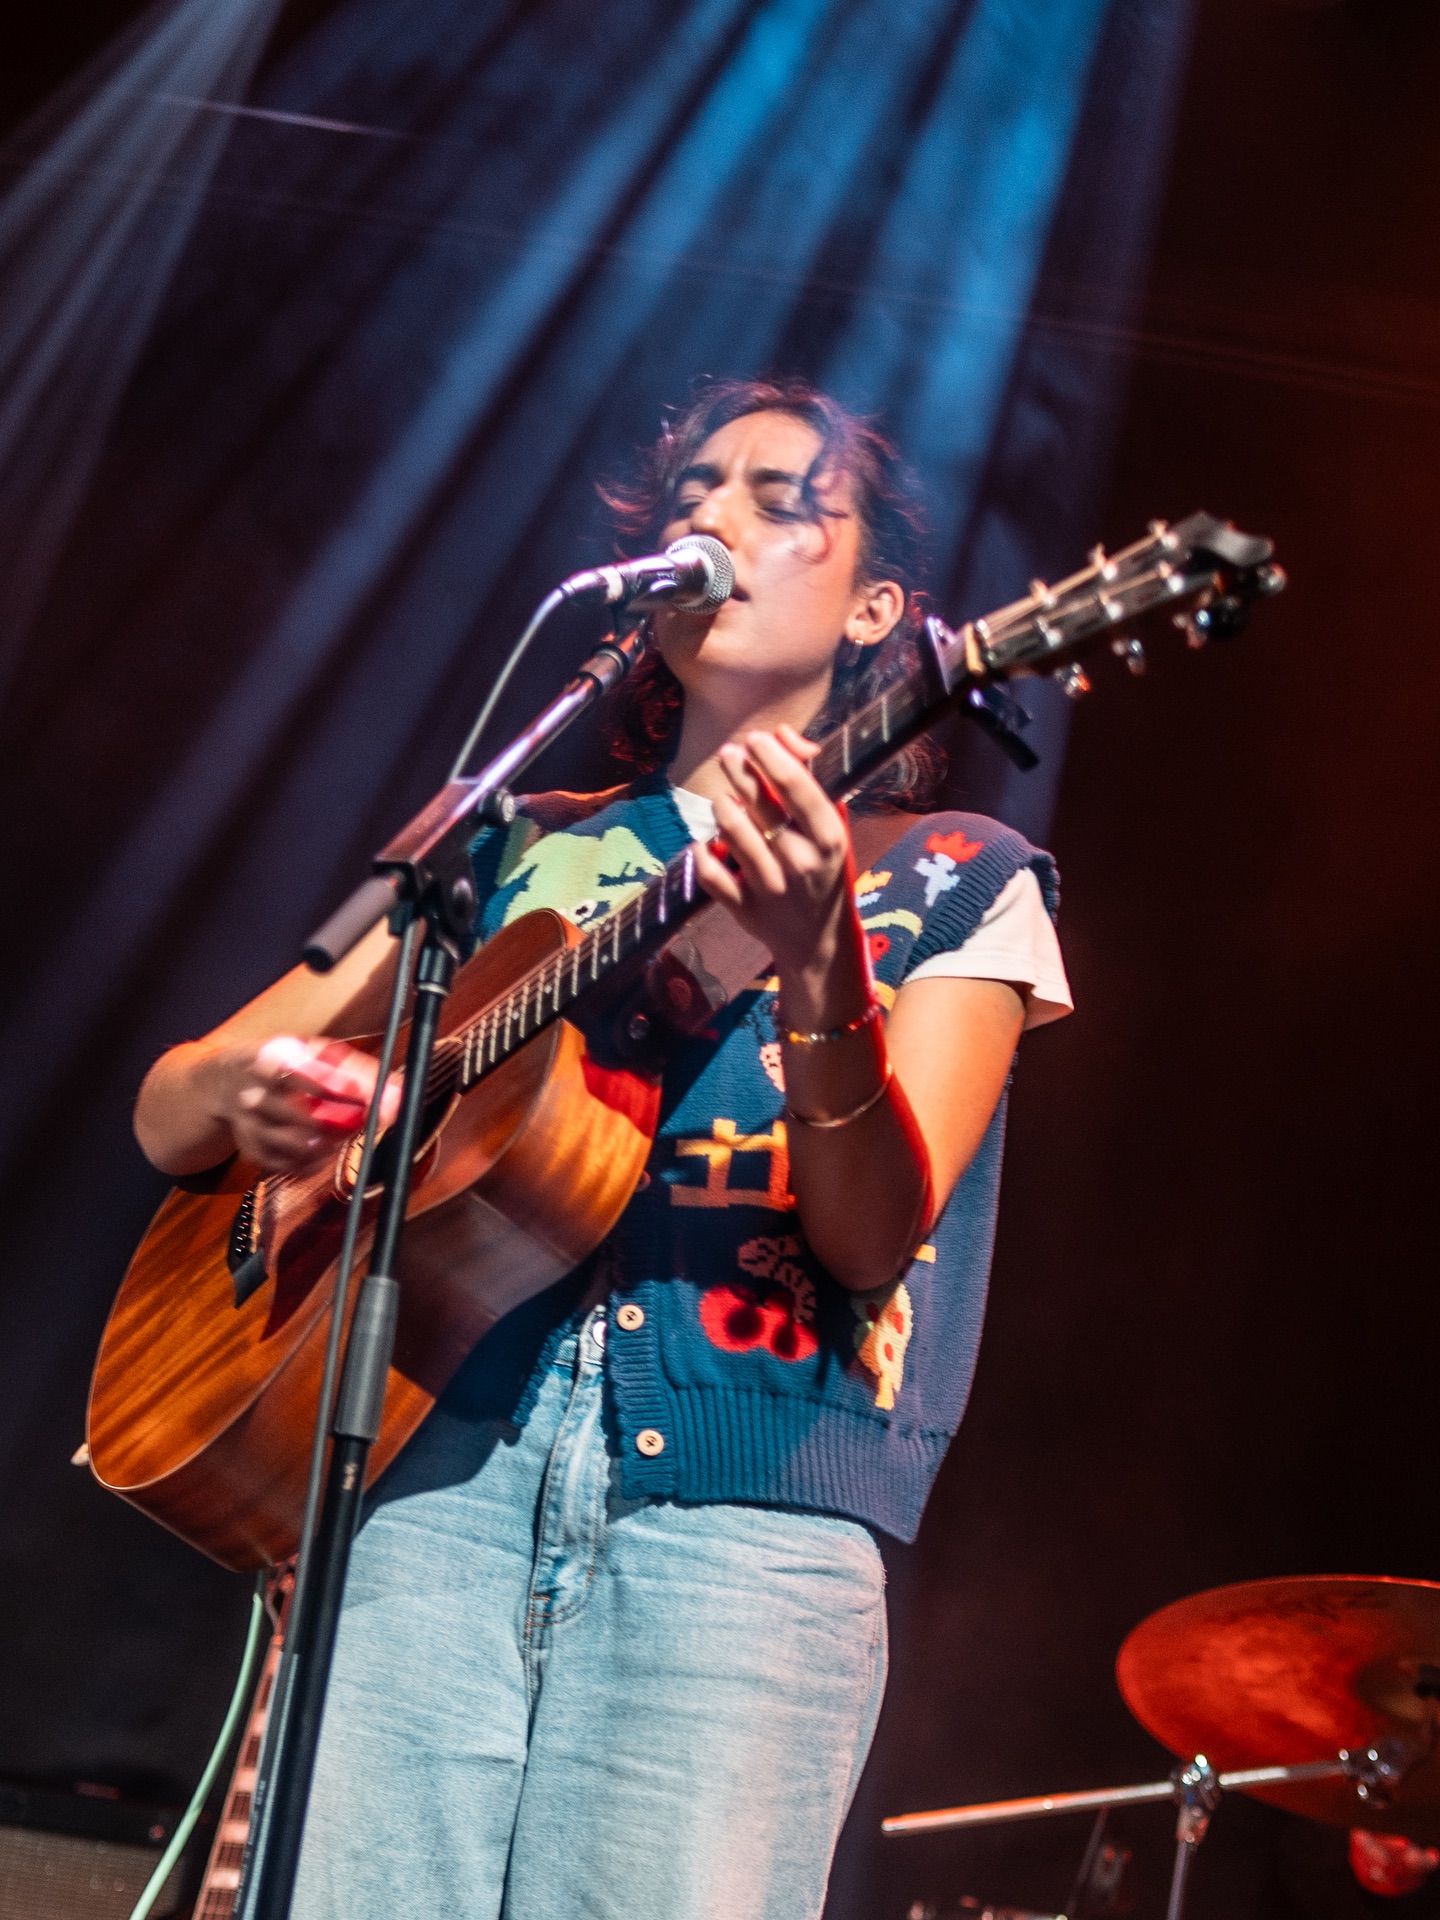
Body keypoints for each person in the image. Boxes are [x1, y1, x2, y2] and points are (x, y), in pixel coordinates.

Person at [134, 376, 1071, 1920]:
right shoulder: (516, 837)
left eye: (782, 498)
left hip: (743, 1531)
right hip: (438, 1482)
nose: (715, 513)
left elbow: (868, 1237)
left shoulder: (962, 875)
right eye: (698, 486)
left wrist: (825, 968)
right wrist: (255, 1102)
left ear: (876, 606)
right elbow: (172, 1101)